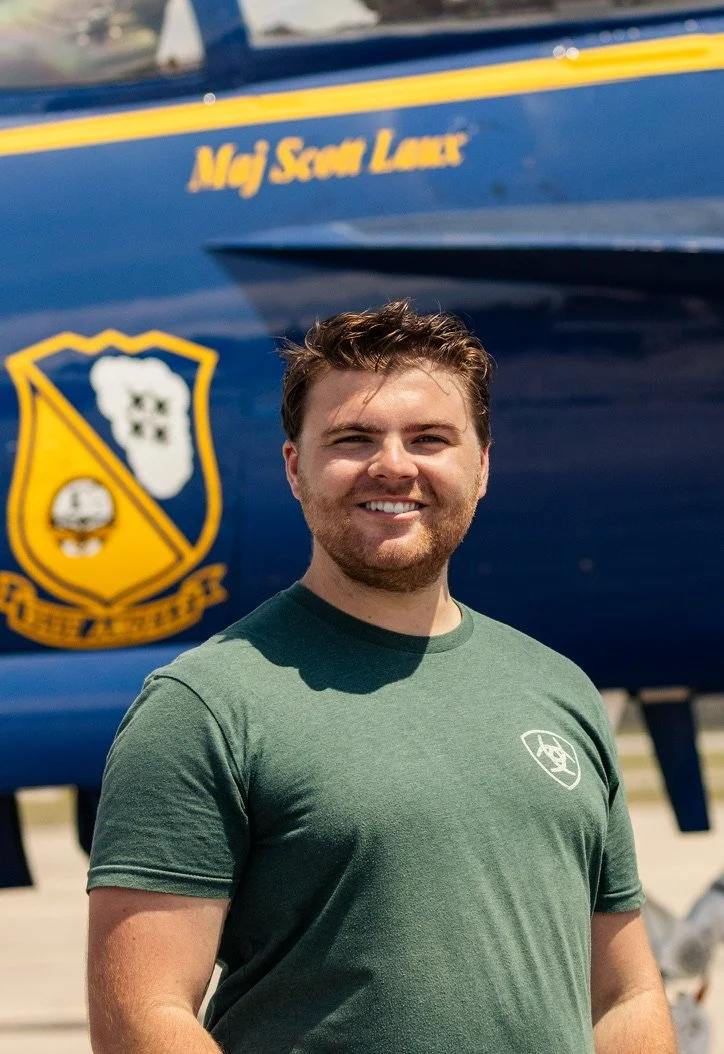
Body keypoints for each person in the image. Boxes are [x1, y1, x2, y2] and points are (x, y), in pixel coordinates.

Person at [86, 300, 676, 1054]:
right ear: (295, 467)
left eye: (430, 438)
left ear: (484, 464)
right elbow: (144, 1017)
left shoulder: (560, 692)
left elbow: (623, 996)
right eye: (352, 438)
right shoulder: (205, 707)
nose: (393, 464)